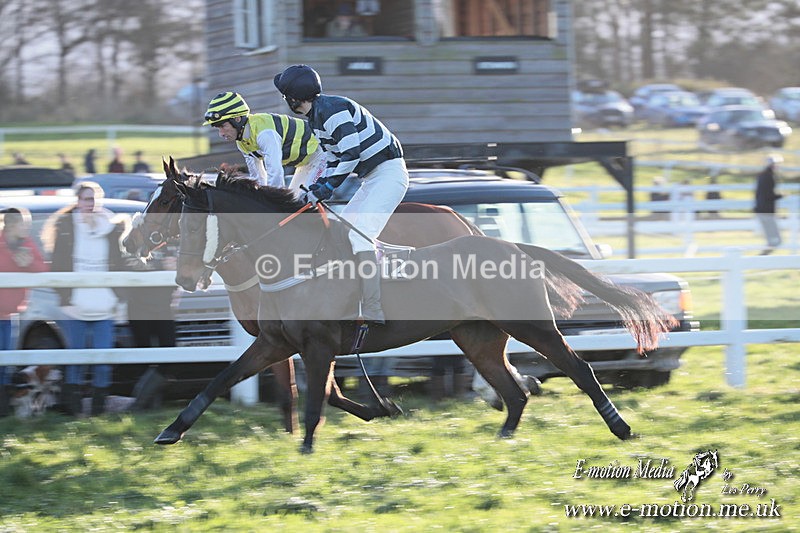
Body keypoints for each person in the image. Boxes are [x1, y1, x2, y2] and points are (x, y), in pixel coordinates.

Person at [274, 64, 409, 324]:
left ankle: (373, 309)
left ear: (293, 98)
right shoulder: (317, 118)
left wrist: (326, 188)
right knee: (342, 234)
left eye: (285, 96)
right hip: (372, 178)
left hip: (389, 174)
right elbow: (333, 158)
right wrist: (314, 189)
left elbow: (351, 153)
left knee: (360, 238)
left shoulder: (332, 110)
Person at [42, 182, 127, 416]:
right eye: (86, 199)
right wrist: (64, 297)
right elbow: (58, 263)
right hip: (74, 305)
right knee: (75, 360)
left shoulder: (111, 228)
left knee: (102, 362)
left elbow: (118, 263)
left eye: (93, 199)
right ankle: (74, 412)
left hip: (104, 304)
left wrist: (118, 297)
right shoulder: (66, 227)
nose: (90, 204)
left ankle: (98, 412)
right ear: (78, 201)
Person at [203, 91, 327, 191]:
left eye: (223, 126)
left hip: (323, 153)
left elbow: (275, 172)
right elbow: (258, 178)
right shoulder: (242, 142)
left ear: (237, 119)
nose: (221, 134)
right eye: (217, 128)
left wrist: (272, 202)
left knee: (302, 200)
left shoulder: (265, 134)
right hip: (305, 162)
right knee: (294, 205)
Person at [0, 207, 48, 417]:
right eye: (23, 224)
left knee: (5, 364)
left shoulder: (26, 243)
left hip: (9, 315)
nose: (26, 228)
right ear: (11, 225)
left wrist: (28, 262)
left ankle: (3, 411)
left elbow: (42, 270)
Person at [754, 155, 784, 255]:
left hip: (761, 210)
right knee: (775, 240)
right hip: (766, 211)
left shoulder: (762, 176)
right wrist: (780, 195)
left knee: (772, 239)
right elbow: (768, 195)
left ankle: (763, 257)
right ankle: (762, 258)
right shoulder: (769, 177)